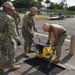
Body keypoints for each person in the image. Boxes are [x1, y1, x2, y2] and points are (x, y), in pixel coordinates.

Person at [0, 1, 21, 71]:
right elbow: (13, 32)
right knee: (12, 51)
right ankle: (11, 66)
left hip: (1, 39)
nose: (12, 11)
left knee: (3, 52)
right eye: (11, 9)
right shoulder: (9, 18)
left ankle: (1, 66)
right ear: (8, 9)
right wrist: (17, 39)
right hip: (8, 39)